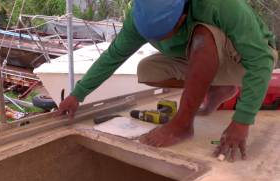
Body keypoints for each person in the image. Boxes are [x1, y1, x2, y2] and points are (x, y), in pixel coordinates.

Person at [57, 0, 277, 161]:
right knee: (148, 69)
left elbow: (262, 60)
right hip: (202, 59)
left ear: (181, 18)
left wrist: (242, 122)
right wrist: (78, 94)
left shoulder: (221, 5)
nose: (159, 41)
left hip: (242, 61)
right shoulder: (140, 15)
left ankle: (183, 124)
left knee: (203, 36)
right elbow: (113, 57)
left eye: (164, 35)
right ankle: (220, 88)